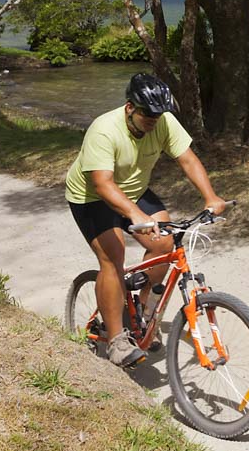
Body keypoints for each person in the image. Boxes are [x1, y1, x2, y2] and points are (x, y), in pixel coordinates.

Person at [65, 72, 227, 368]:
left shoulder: (162, 121)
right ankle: (116, 340)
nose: (154, 120)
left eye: (158, 114)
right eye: (148, 115)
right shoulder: (104, 130)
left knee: (166, 243)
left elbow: (187, 159)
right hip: (91, 196)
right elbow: (102, 184)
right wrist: (134, 214)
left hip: (133, 189)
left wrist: (210, 197)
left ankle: (141, 308)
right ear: (130, 108)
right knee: (113, 257)